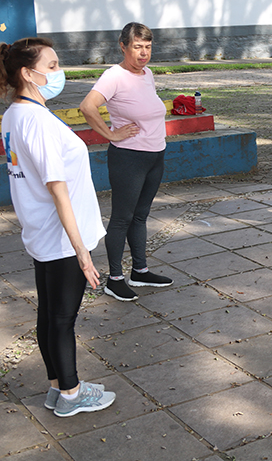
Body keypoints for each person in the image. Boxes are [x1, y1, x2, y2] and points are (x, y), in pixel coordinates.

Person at [1, 37, 116, 416]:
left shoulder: (15, 114)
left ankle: (57, 387)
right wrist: (82, 250)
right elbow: (57, 187)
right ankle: (71, 394)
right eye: (51, 66)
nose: (58, 72)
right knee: (63, 320)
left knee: (50, 315)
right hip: (62, 236)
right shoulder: (36, 121)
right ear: (27, 73)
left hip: (42, 232)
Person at [79, 22, 172, 301]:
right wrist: (110, 134)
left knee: (140, 215)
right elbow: (87, 106)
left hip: (155, 155)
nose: (143, 53)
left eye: (148, 47)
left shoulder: (147, 74)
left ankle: (140, 271)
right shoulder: (114, 76)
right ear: (123, 46)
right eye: (137, 47)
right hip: (129, 157)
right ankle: (115, 279)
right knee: (122, 218)